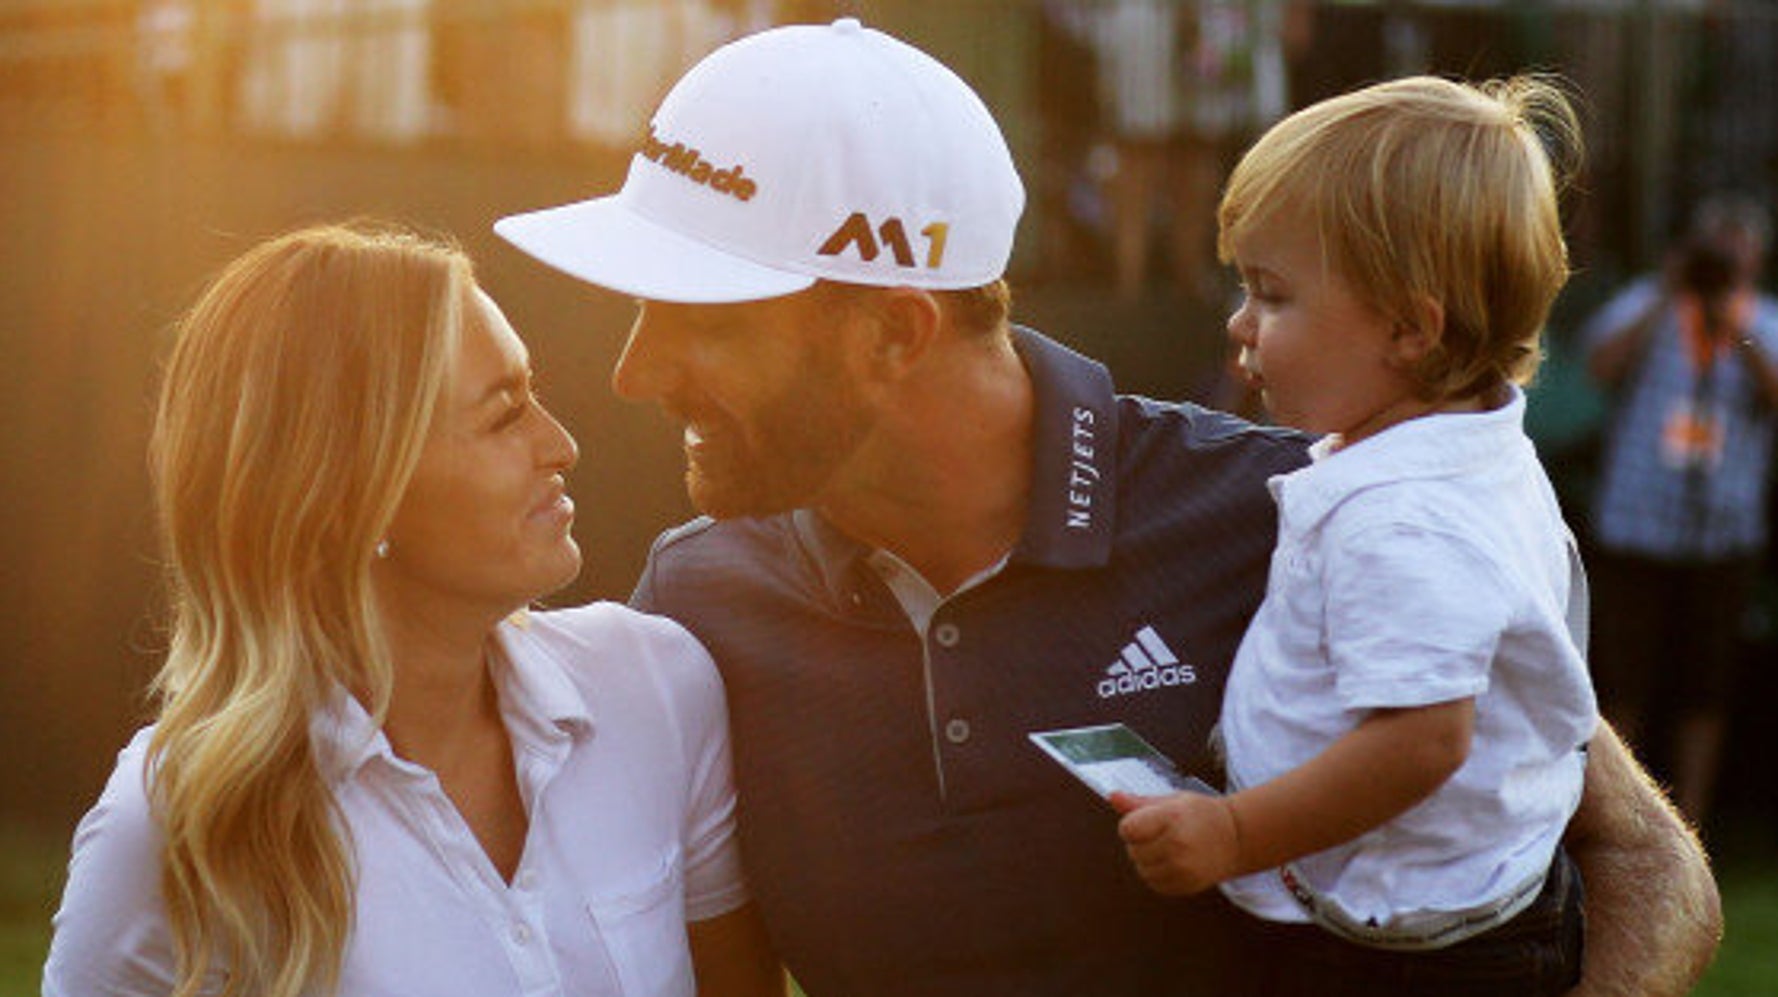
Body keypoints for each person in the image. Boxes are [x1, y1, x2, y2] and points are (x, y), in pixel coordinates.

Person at [493, 18, 1721, 997]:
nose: (633, 374)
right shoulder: (696, 598)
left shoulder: (1290, 512)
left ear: (890, 332)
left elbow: (1641, 856)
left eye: (702, 320)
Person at [42, 222, 781, 997]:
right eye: (503, 415)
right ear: (350, 492)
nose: (560, 444)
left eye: (535, 398)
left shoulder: (657, 686)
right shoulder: (177, 827)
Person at [1107, 75, 1594, 995]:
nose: (1238, 323)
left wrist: (1237, 832)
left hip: (1410, 950)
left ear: (1409, 329)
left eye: (1272, 294)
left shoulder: (1402, 516)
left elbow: (1422, 742)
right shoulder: (1464, 451)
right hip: (1461, 903)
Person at [1583, 194, 1778, 827]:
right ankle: (1617, 821)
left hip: (1721, 533)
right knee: (1623, 679)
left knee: (1706, 685)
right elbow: (1600, 365)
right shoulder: (1649, 304)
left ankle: (1689, 823)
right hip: (1637, 524)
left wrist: (1730, 319)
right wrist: (1673, 292)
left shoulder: (1764, 320)